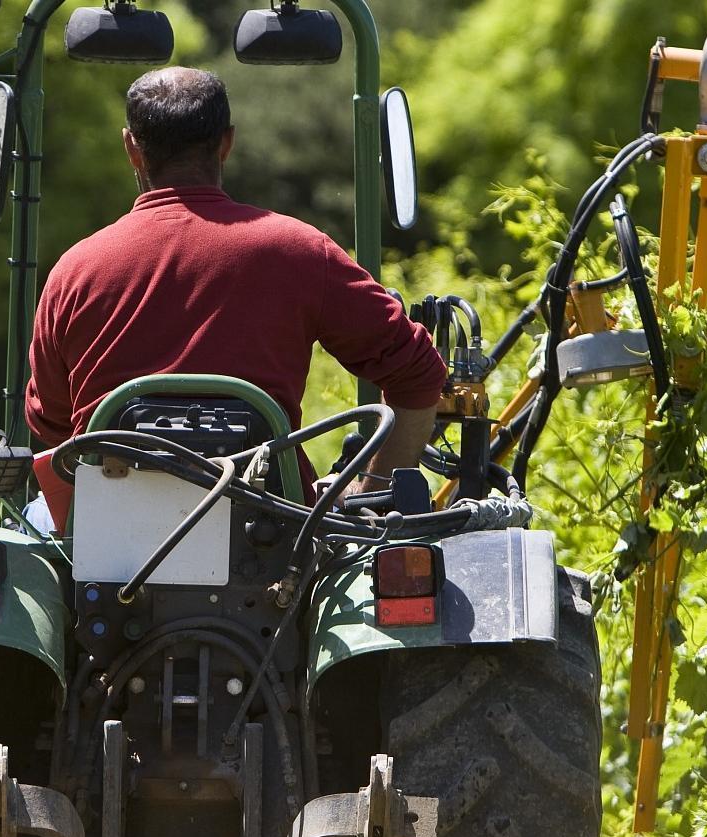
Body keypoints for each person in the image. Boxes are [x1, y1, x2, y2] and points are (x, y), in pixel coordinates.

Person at [24, 66, 445, 507]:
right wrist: (372, 490)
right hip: (275, 544)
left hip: (106, 552)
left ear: (132, 148)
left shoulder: (73, 272)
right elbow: (420, 372)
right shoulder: (299, 251)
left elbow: (52, 426)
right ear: (226, 142)